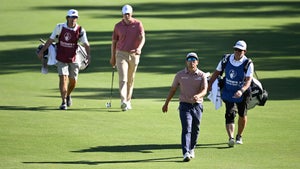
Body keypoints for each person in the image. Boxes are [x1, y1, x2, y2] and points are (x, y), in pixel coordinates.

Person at [37, 9, 91, 110]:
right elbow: (50, 40)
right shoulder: (59, 27)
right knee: (63, 78)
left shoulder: (80, 30)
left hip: (74, 58)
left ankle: (68, 95)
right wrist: (42, 51)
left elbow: (86, 44)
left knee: (73, 81)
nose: (73, 19)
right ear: (67, 18)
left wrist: (89, 55)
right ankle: (63, 102)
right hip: (61, 57)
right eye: (71, 17)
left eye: (75, 18)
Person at [162, 52, 208, 162]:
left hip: (197, 106)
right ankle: (185, 152)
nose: (192, 62)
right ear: (186, 62)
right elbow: (173, 89)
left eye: (194, 60)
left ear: (197, 62)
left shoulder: (201, 75)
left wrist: (199, 95)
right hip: (184, 105)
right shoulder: (180, 75)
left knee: (195, 128)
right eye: (189, 59)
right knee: (187, 128)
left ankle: (192, 148)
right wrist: (166, 103)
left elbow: (205, 90)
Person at [208, 40, 254, 147]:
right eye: (236, 49)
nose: (237, 52)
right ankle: (231, 138)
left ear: (244, 51)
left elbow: (248, 81)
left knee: (242, 114)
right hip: (228, 91)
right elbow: (217, 72)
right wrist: (209, 85)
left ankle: (239, 136)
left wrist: (241, 90)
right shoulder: (226, 59)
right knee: (230, 114)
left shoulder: (248, 64)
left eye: (240, 50)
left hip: (242, 93)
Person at [110, 4, 145, 111]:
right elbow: (114, 42)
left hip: (134, 54)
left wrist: (139, 48)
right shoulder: (118, 26)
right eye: (125, 14)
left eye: (128, 14)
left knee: (131, 79)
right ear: (122, 14)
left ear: (131, 13)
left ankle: (128, 100)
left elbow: (143, 38)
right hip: (121, 54)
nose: (127, 16)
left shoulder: (138, 24)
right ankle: (123, 101)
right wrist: (113, 57)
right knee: (123, 78)